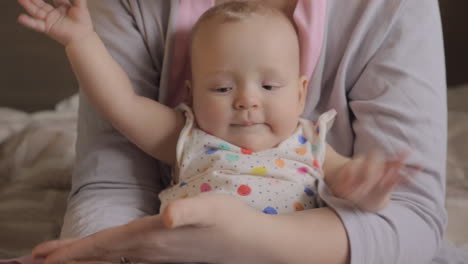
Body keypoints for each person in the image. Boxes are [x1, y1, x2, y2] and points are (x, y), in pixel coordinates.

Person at [16, 0, 462, 263]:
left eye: (269, 86)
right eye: (223, 87)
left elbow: (364, 191)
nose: (247, 101)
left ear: (301, 92)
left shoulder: (307, 141)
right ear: (189, 92)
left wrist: (369, 187)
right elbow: (121, 104)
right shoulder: (188, 135)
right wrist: (81, 43)